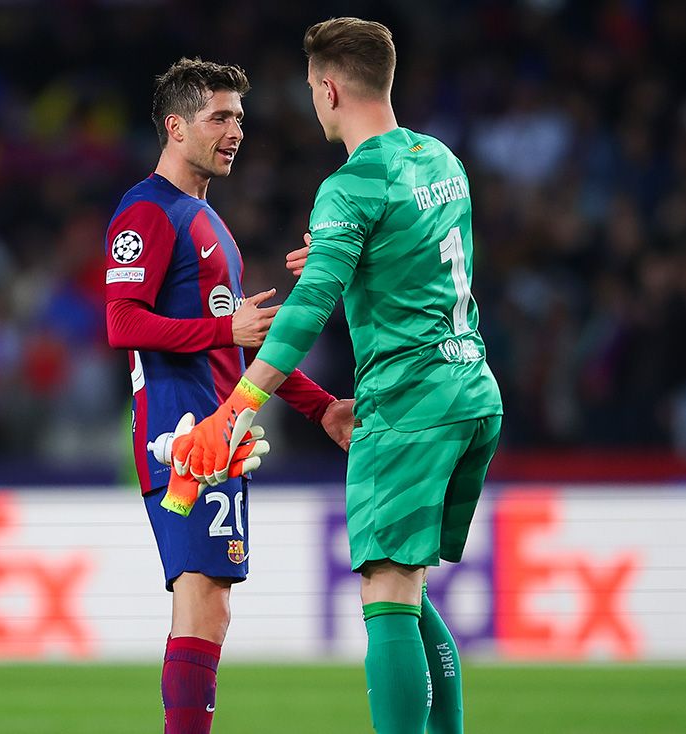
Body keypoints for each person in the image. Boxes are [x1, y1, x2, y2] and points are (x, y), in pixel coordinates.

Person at [170, 20, 502, 734]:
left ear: (327, 88)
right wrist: (342, 257)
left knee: (387, 593)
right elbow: (422, 259)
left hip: (409, 403)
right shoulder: (439, 158)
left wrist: (238, 408)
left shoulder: (351, 185)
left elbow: (306, 314)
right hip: (472, 387)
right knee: (406, 588)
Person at [103, 57, 353, 734]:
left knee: (209, 605)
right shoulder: (148, 211)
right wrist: (225, 324)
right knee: (203, 603)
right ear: (176, 127)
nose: (236, 130)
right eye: (220, 117)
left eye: (240, 117)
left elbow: (239, 350)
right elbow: (121, 321)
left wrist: (320, 405)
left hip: (222, 434)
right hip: (182, 437)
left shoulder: (208, 222)